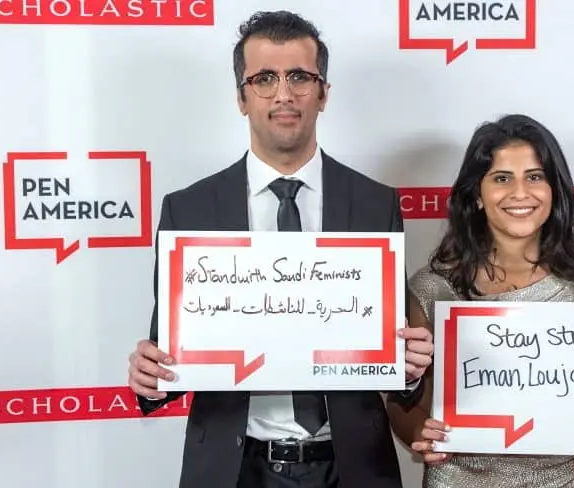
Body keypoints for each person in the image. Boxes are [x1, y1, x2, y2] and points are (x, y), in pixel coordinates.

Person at [126, 11, 434, 488]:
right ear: (241, 97)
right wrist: (149, 375)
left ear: (324, 93)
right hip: (234, 470)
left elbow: (390, 351)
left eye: (299, 77)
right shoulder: (189, 210)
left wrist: (410, 371)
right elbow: (167, 356)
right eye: (265, 79)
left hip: (353, 467)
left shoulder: (375, 204)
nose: (284, 94)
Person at [385, 114, 574, 487]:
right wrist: (422, 433)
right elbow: (405, 400)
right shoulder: (432, 289)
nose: (519, 193)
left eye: (534, 176)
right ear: (477, 195)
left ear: (554, 190)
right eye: (501, 178)